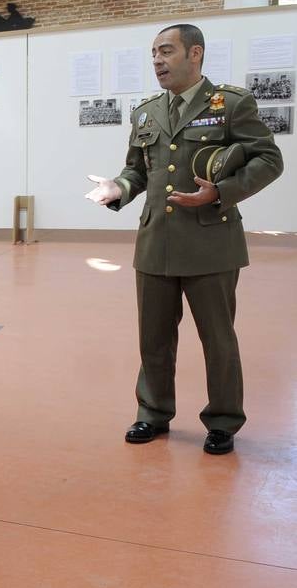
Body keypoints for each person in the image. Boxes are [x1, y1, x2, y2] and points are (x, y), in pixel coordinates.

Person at [85, 23, 283, 455]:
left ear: (195, 54)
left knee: (217, 337)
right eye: (154, 52)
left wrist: (223, 192)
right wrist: (118, 187)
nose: (157, 59)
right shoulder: (146, 111)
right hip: (156, 240)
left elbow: (270, 159)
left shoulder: (230, 104)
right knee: (153, 338)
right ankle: (153, 414)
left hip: (211, 241)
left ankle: (223, 420)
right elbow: (138, 169)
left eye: (167, 50)